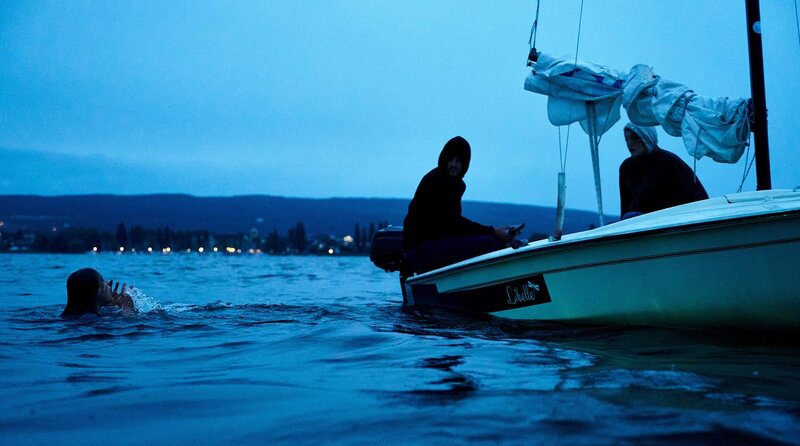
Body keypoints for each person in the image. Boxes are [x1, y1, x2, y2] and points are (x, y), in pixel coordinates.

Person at [402, 136, 518, 273]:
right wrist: (493, 232)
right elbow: (451, 223)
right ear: (444, 160)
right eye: (450, 160)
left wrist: (494, 233)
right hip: (420, 248)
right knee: (489, 243)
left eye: (458, 161)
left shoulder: (456, 184)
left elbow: (453, 225)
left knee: (492, 241)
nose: (453, 164)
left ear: (465, 164)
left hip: (433, 244)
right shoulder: (436, 180)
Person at [619, 123, 709, 219]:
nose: (629, 143)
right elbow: (625, 205)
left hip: (668, 222)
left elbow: (698, 198)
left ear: (646, 137)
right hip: (635, 224)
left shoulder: (670, 162)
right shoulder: (626, 167)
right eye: (626, 139)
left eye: (634, 138)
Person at [62, 268, 135, 317]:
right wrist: (127, 307)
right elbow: (126, 326)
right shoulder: (93, 320)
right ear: (98, 292)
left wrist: (112, 305)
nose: (108, 284)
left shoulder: (73, 316)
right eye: (104, 283)